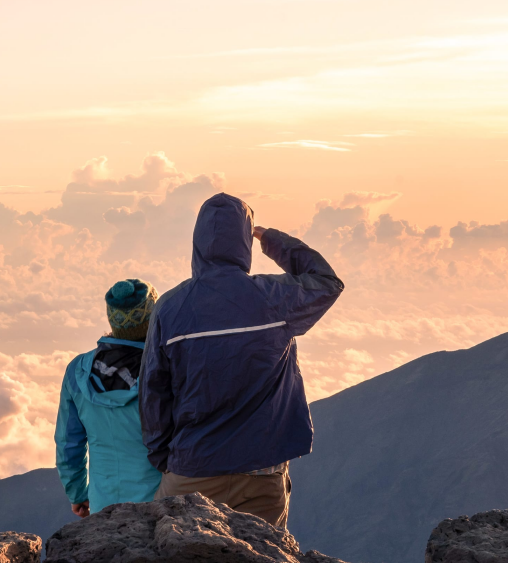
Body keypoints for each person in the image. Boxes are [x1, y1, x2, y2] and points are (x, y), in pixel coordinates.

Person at [139, 193, 344, 528]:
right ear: (244, 242)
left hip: (193, 470)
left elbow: (153, 394)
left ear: (198, 242)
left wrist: (167, 459)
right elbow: (326, 283)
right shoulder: (273, 299)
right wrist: (274, 241)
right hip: (262, 474)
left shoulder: (170, 308)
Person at [55, 278, 162, 518]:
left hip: (104, 507)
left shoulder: (78, 370)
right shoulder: (163, 369)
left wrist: (77, 493)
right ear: (153, 318)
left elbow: (68, 443)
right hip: (160, 505)